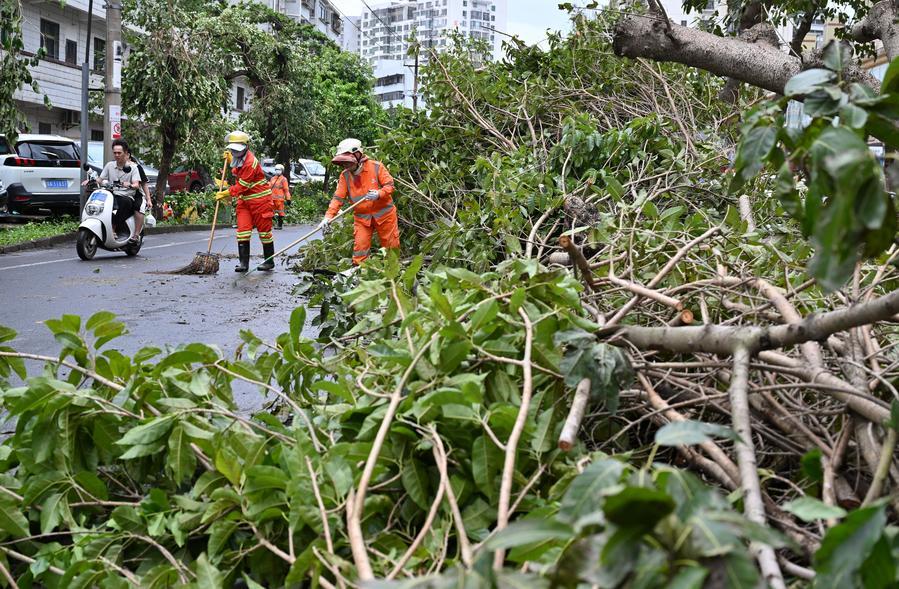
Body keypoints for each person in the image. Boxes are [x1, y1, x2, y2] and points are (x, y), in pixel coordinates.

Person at [322, 138, 399, 265]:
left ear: (358, 156)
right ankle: (358, 273)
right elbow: (338, 198)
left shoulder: (376, 167)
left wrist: (379, 194)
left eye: (348, 162)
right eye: (344, 162)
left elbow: (390, 186)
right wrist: (328, 217)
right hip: (362, 218)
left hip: (385, 215)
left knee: (391, 247)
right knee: (360, 248)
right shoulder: (345, 176)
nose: (346, 165)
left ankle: (392, 273)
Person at [215, 131, 275, 272]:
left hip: (261, 201)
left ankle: (269, 262)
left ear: (246, 147)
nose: (234, 152)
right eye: (232, 150)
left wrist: (225, 193)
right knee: (242, 231)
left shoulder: (250, 163)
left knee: (265, 233)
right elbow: (237, 172)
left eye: (237, 150)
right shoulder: (239, 158)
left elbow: (242, 186)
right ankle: (244, 264)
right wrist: (231, 161)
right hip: (245, 202)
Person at [94, 139, 141, 241]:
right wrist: (91, 181)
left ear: (126, 153)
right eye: (115, 153)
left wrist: (130, 185)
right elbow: (100, 179)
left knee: (123, 202)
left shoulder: (133, 168)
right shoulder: (109, 165)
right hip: (111, 194)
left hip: (126, 196)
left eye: (119, 153)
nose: (117, 155)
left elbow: (137, 184)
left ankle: (113, 228)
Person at [269, 164, 289, 230]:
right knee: (271, 212)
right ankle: (272, 224)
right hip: (272, 199)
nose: (278, 171)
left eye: (279, 170)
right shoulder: (272, 179)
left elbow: (286, 190)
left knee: (281, 212)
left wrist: (288, 198)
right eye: (277, 170)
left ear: (282, 171)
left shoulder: (284, 179)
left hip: (280, 200)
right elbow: (269, 188)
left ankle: (279, 225)